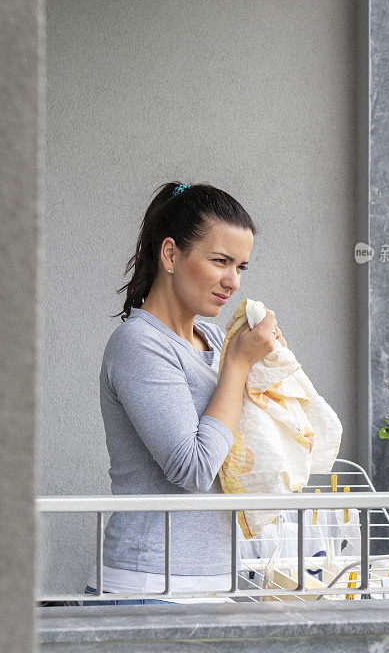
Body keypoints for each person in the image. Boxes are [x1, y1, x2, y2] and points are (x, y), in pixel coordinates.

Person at [83, 181, 284, 605]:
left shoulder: (212, 337)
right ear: (171, 254)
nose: (233, 281)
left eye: (241, 266)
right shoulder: (139, 343)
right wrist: (240, 364)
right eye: (220, 261)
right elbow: (192, 469)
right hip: (149, 586)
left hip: (213, 584)